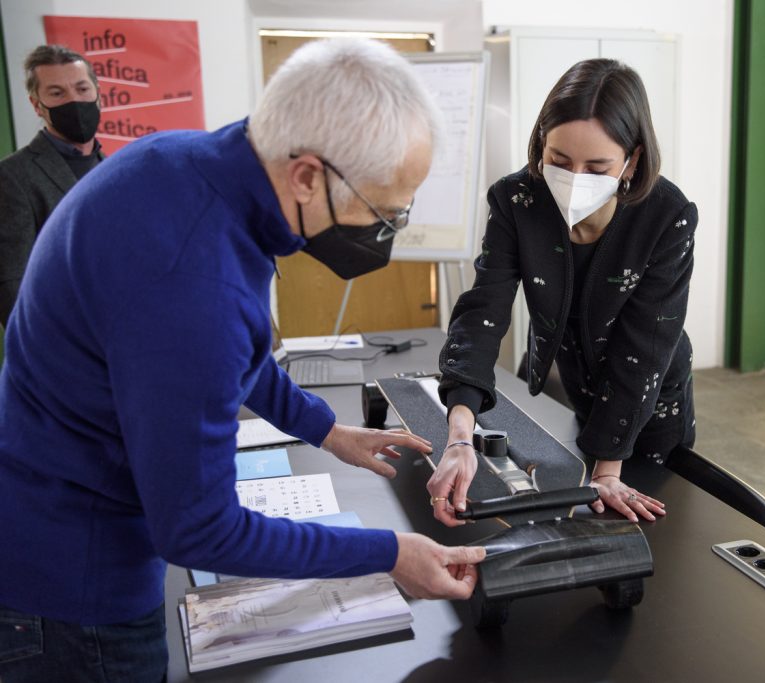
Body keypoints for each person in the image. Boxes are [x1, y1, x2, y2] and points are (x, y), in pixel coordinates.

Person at [0, 38, 484, 681]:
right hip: (76, 591)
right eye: (384, 211)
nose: (389, 231)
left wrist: (328, 430)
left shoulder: (182, 162)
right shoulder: (193, 279)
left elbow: (236, 351)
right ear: (308, 176)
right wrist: (390, 552)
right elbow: (198, 530)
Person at [428, 59, 698, 527]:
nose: (574, 178)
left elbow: (644, 349)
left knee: (641, 524)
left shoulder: (666, 216)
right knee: (579, 492)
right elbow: (482, 314)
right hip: (576, 378)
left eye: (597, 166)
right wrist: (458, 437)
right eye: (558, 161)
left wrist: (608, 471)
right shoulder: (518, 201)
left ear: (631, 159)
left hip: (650, 399)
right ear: (540, 145)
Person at [0, 44, 104, 328]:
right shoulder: (12, 176)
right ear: (37, 105)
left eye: (83, 89)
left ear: (98, 93)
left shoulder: (115, 168)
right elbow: (11, 281)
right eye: (57, 93)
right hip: (61, 346)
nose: (74, 100)